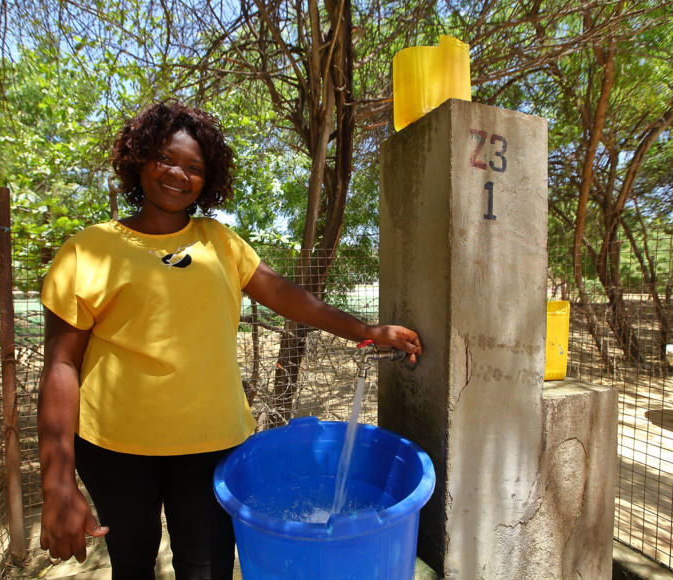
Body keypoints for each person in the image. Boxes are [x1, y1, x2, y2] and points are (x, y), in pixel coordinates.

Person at [37, 102, 423, 580]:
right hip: (117, 450)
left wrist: (365, 330)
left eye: (195, 167)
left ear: (208, 179)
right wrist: (56, 483)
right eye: (165, 157)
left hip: (211, 447)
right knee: (132, 565)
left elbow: (288, 296)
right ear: (138, 159)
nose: (179, 174)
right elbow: (60, 365)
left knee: (208, 567)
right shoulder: (88, 250)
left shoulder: (218, 241)